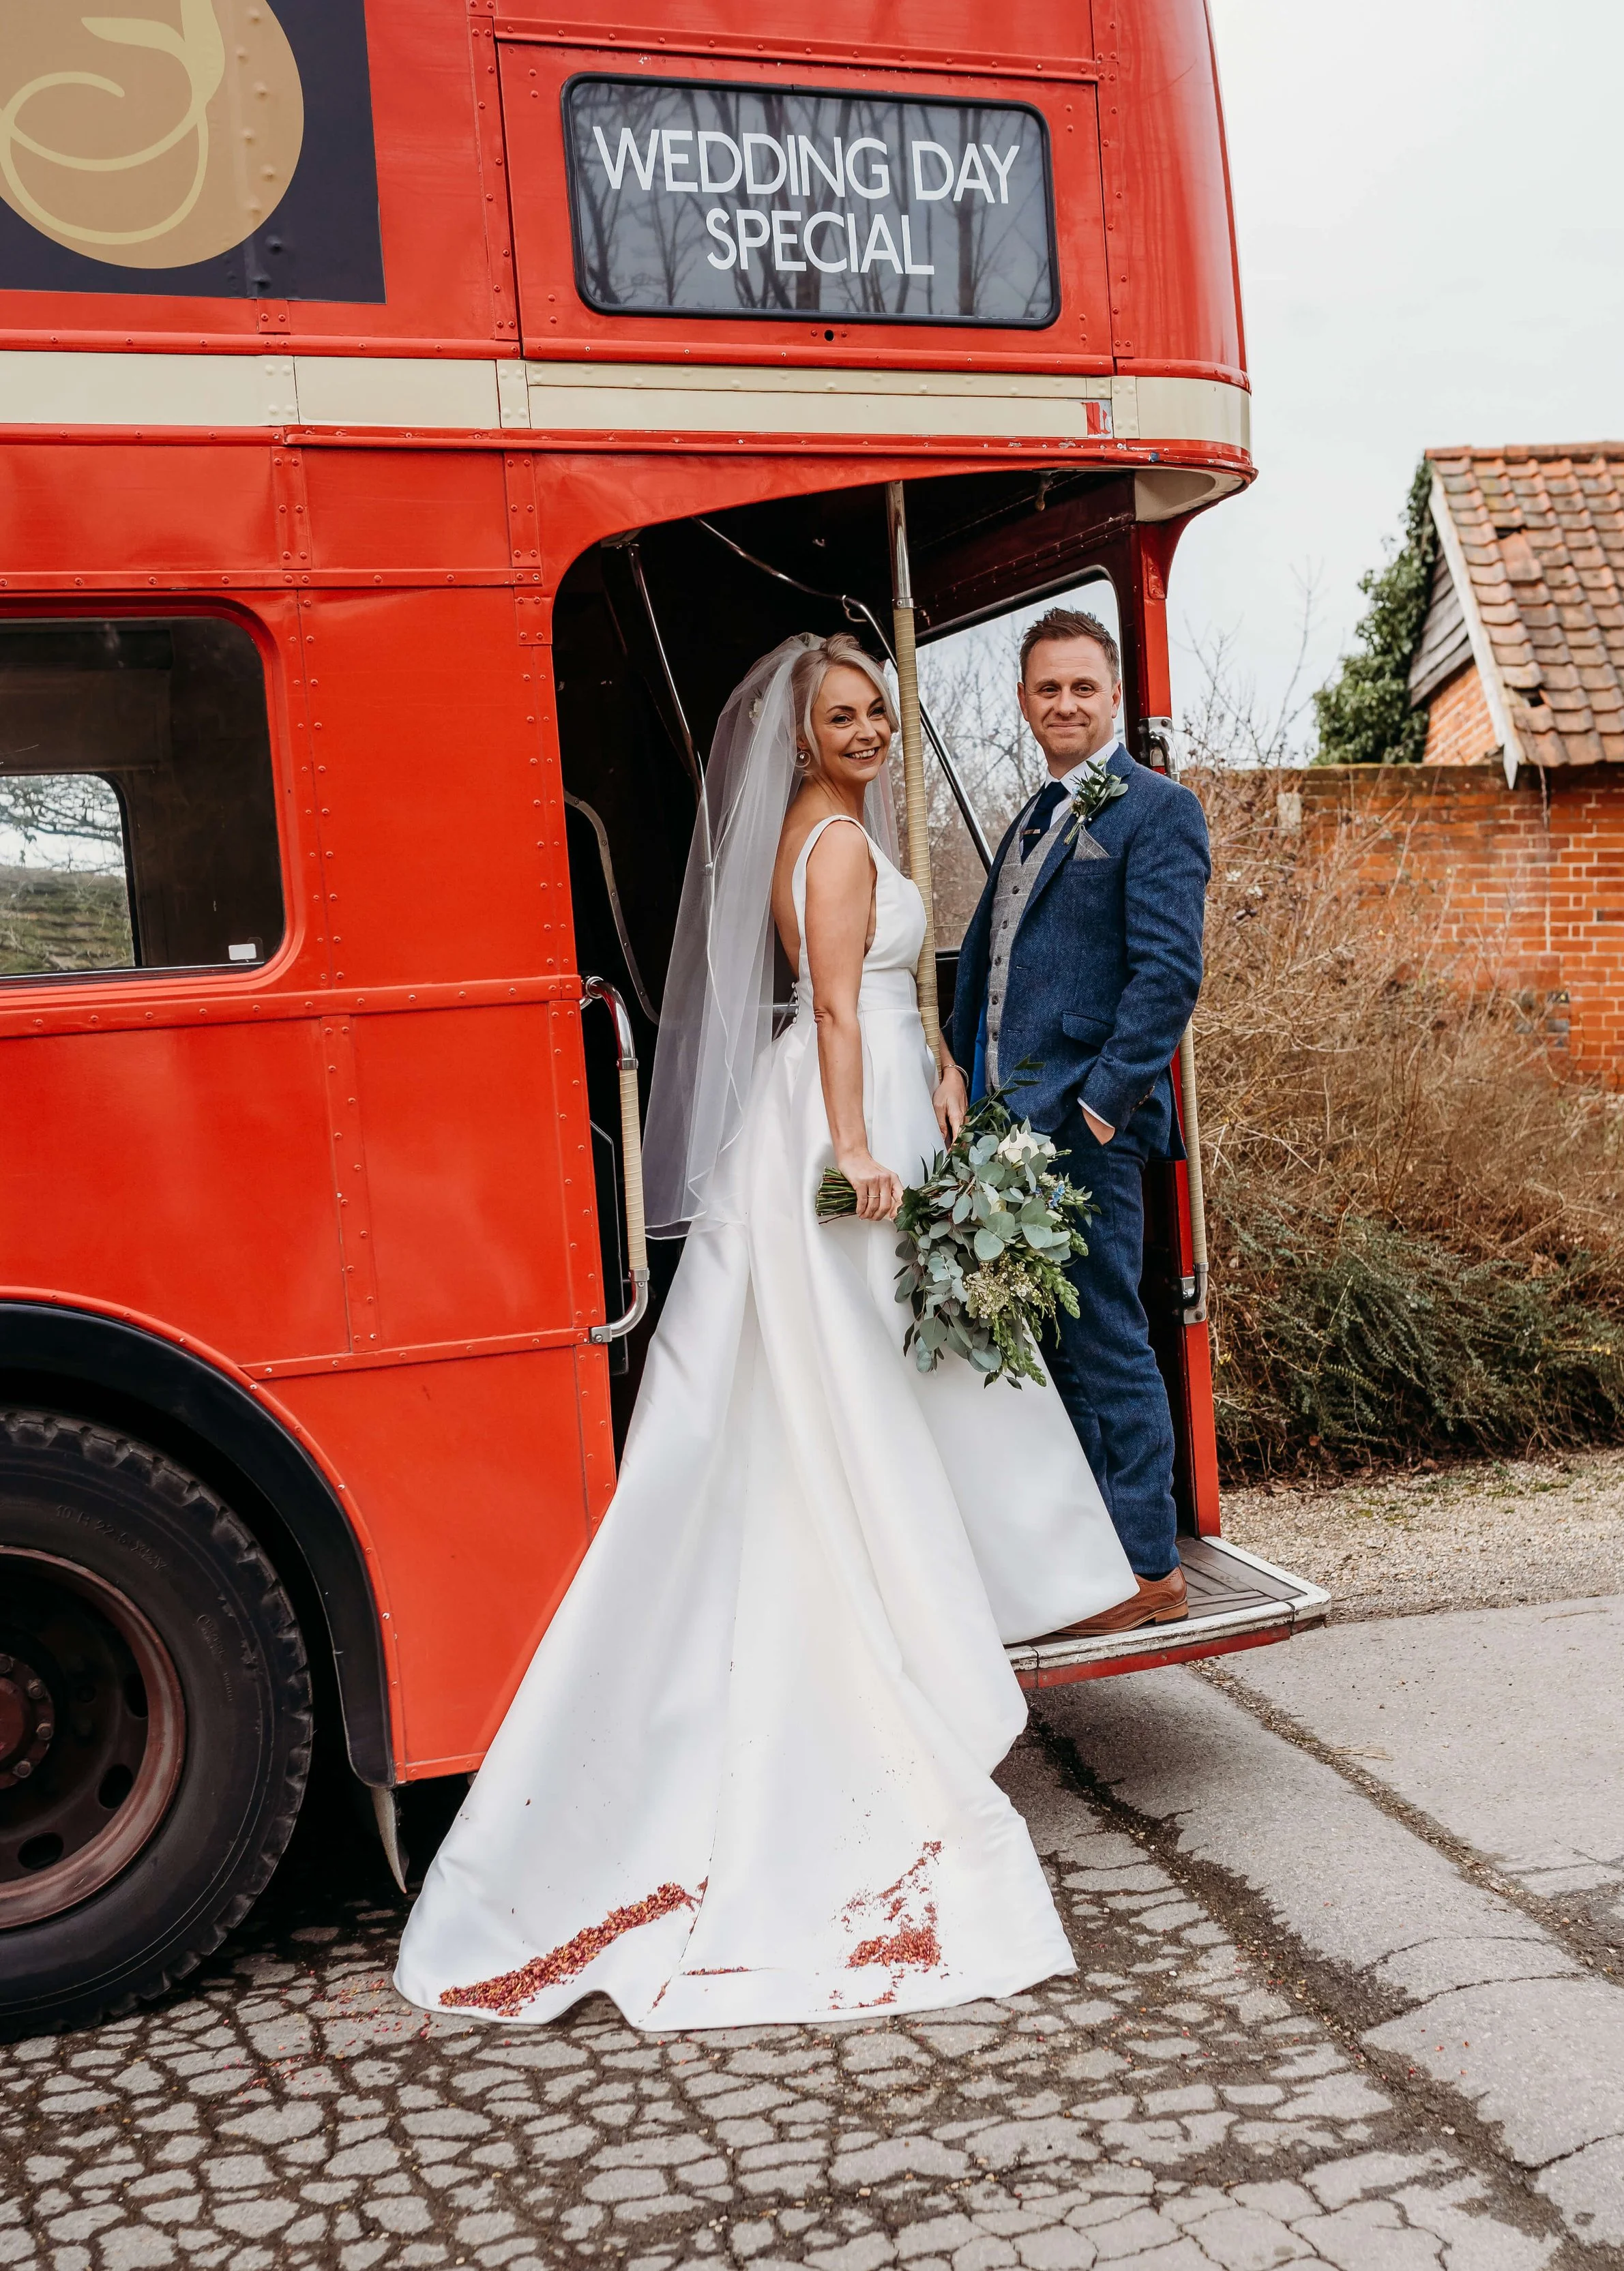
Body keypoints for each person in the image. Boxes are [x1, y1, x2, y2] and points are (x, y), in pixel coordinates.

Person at [393, 633, 1138, 2032]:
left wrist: (928, 1063)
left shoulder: (820, 827)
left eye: (874, 712)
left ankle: (923, 1607)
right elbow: (839, 1019)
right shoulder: (840, 845)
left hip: (852, 1096)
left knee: (840, 1389)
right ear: (797, 737)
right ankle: (902, 1633)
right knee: (864, 1383)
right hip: (837, 1129)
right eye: (839, 717)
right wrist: (861, 1147)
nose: (864, 732)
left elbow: (856, 996)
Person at [951, 608, 1211, 1633]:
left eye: (1082, 688)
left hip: (1091, 1138)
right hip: (1017, 1137)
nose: (1064, 703)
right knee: (1056, 1346)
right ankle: (1091, 1561)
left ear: (1112, 698)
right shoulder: (1033, 816)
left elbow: (1167, 977)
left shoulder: (1159, 810)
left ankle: (1149, 1567)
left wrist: (1102, 1112)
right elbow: (1000, 968)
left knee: (1105, 1338)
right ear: (1024, 702)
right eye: (1046, 689)